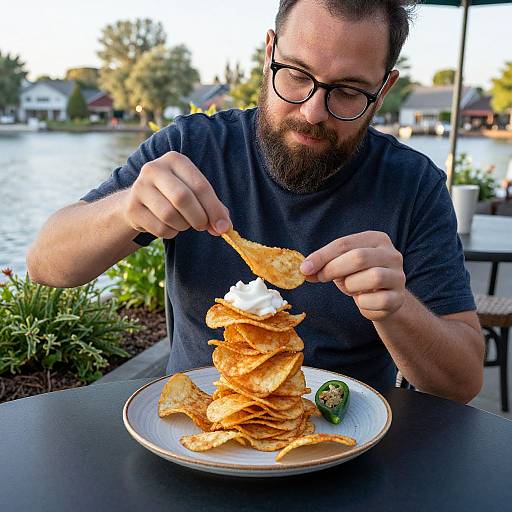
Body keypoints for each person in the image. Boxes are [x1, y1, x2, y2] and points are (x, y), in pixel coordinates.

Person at [27, 0, 484, 403]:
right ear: (269, 53)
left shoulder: (413, 186)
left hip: (346, 451)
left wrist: (398, 307)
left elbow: (461, 383)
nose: (312, 111)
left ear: (382, 91)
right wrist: (126, 210)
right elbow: (45, 264)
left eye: (347, 91)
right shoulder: (191, 148)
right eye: (297, 75)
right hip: (198, 435)